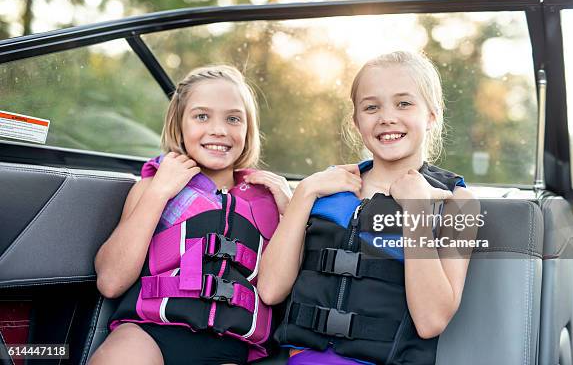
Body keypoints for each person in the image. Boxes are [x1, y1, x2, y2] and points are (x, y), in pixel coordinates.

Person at [258, 51, 479, 364]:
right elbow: (269, 291)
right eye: (371, 107)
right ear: (356, 121)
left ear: (432, 115)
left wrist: (415, 208)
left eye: (403, 103)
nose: (386, 117)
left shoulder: (457, 203)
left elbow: (431, 321)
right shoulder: (324, 190)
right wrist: (304, 194)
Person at [89, 65, 292, 365]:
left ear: (248, 130)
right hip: (149, 333)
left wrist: (290, 212)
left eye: (233, 119)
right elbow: (110, 281)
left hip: (229, 347)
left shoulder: (268, 201)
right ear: (179, 124)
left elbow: (278, 291)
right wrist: (159, 193)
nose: (219, 130)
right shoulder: (152, 187)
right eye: (201, 116)